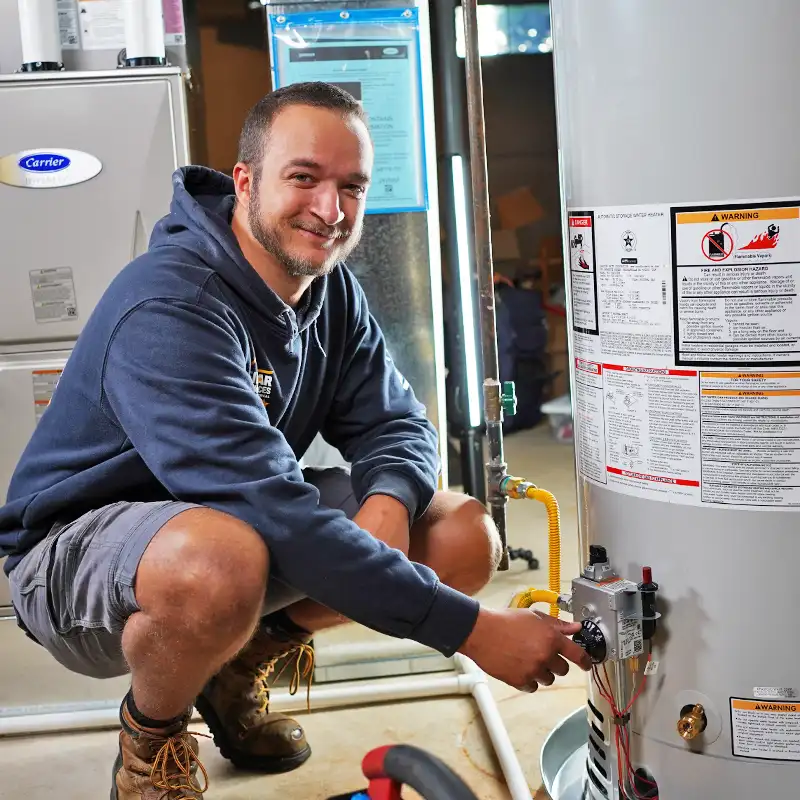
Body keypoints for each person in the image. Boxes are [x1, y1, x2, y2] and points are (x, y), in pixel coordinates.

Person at [0, 82, 590, 799]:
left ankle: (238, 663)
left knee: (462, 535)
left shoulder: (327, 290)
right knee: (223, 559)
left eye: (352, 187)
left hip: (229, 528)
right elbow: (271, 509)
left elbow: (395, 423)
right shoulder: (171, 306)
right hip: (75, 559)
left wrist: (390, 505)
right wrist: (473, 631)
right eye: (304, 178)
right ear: (245, 181)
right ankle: (150, 744)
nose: (330, 209)